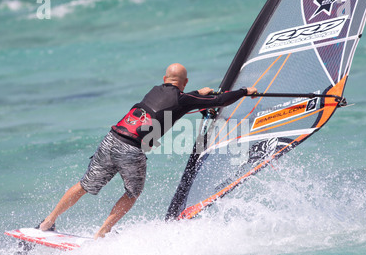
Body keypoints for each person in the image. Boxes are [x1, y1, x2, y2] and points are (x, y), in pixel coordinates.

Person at [39, 63, 257, 239]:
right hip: (131, 150)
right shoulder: (184, 100)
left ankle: (48, 221)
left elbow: (177, 103)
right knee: (132, 193)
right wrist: (244, 91)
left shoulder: (154, 91)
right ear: (186, 82)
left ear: (164, 80)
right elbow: (218, 100)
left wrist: (197, 94)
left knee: (84, 185)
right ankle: (102, 233)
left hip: (111, 139)